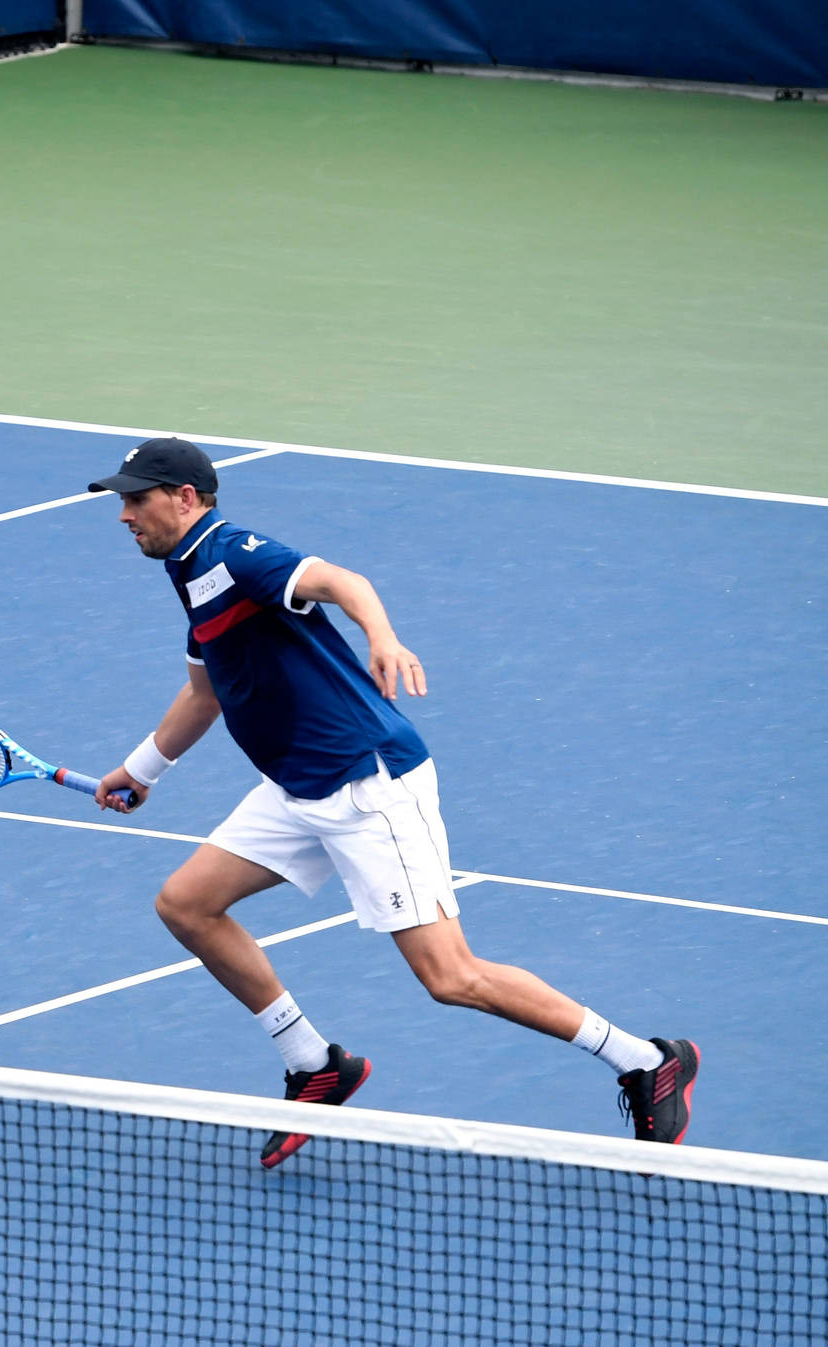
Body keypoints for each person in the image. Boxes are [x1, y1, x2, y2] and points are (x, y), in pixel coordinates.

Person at [87, 437, 698, 1166]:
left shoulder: (237, 552)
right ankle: (316, 1063)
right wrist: (142, 767)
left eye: (137, 498)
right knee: (186, 903)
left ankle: (646, 1059)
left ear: (186, 498)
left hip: (366, 783)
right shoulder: (190, 575)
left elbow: (344, 580)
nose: (125, 514)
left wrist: (381, 636)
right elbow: (205, 690)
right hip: (296, 785)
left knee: (452, 976)